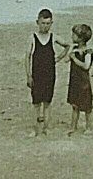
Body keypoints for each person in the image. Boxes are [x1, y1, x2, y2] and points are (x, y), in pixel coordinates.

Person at [25, 9, 70, 137]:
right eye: (43, 23)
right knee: (36, 103)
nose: (45, 26)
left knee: (47, 102)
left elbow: (67, 45)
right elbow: (27, 57)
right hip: (36, 75)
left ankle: (46, 128)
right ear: (37, 22)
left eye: (48, 23)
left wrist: (59, 58)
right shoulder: (33, 38)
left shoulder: (53, 37)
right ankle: (35, 129)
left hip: (50, 74)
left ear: (51, 23)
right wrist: (28, 75)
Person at [61, 24, 93, 135]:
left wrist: (74, 58)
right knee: (75, 105)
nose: (72, 36)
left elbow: (86, 66)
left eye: (74, 35)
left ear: (80, 38)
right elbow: (66, 60)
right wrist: (71, 50)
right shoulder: (74, 49)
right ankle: (73, 126)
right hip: (75, 81)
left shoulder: (87, 52)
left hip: (83, 82)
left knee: (87, 107)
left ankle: (88, 127)